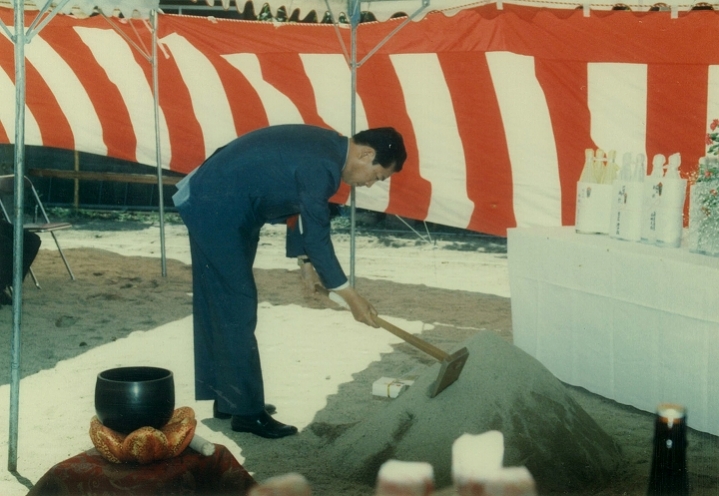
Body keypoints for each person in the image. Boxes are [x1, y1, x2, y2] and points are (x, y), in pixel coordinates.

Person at [173, 124, 407, 439]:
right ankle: (246, 413)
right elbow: (318, 236)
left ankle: (231, 399)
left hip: (224, 199)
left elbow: (298, 203)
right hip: (219, 204)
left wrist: (305, 265)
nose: (369, 184)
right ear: (367, 154)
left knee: (219, 300)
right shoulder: (323, 165)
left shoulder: (328, 149)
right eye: (377, 176)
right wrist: (351, 298)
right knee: (237, 304)